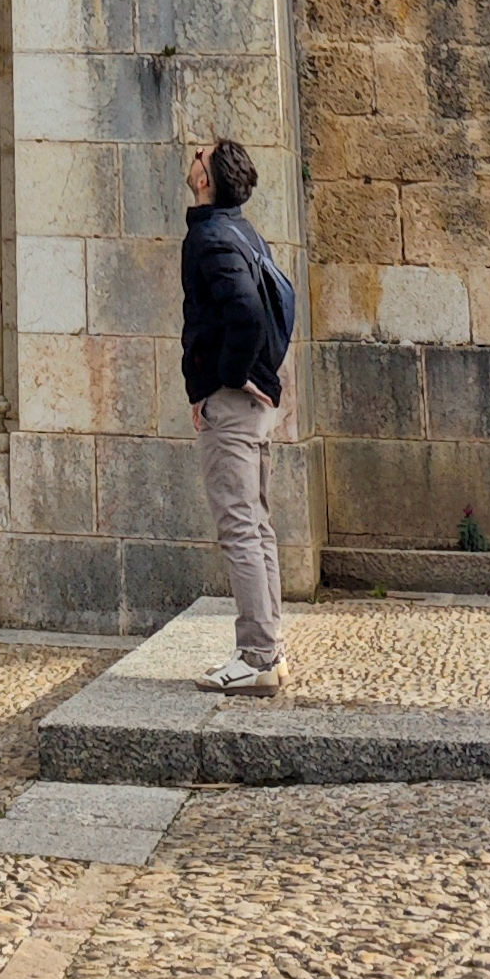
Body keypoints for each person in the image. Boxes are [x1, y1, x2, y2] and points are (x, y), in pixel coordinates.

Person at [182, 136, 289, 691]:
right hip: (252, 403)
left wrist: (228, 376)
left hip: (233, 405)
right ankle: (269, 647)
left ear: (207, 179)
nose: (192, 155)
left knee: (241, 528)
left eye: (199, 154)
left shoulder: (212, 237)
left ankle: (257, 657)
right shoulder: (241, 231)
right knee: (257, 525)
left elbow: (247, 311)